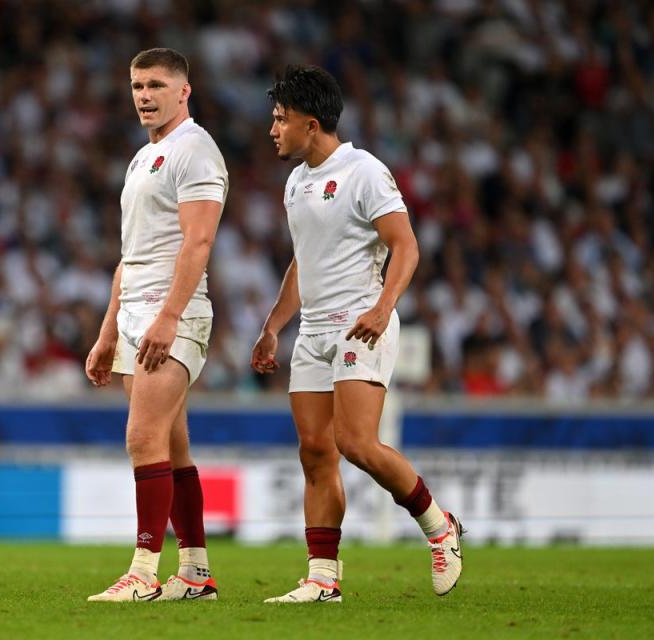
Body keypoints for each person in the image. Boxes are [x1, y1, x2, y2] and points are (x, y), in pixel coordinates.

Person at [252, 65, 464, 603]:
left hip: (360, 323)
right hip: (313, 330)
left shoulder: (364, 171)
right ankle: (322, 579)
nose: (273, 129)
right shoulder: (296, 182)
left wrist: (382, 305)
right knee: (315, 451)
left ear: (312, 124)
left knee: (356, 443)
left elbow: (405, 246)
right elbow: (303, 264)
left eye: (281, 120)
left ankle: (440, 527)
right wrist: (273, 327)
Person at [84, 48, 227, 602]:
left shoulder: (196, 150)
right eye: (137, 85)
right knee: (171, 444)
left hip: (176, 312)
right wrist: (106, 329)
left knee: (142, 437)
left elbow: (199, 241)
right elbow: (131, 256)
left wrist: (169, 317)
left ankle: (143, 572)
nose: (144, 95)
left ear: (183, 91)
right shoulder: (142, 159)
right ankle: (195, 574)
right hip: (135, 313)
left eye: (156, 85)